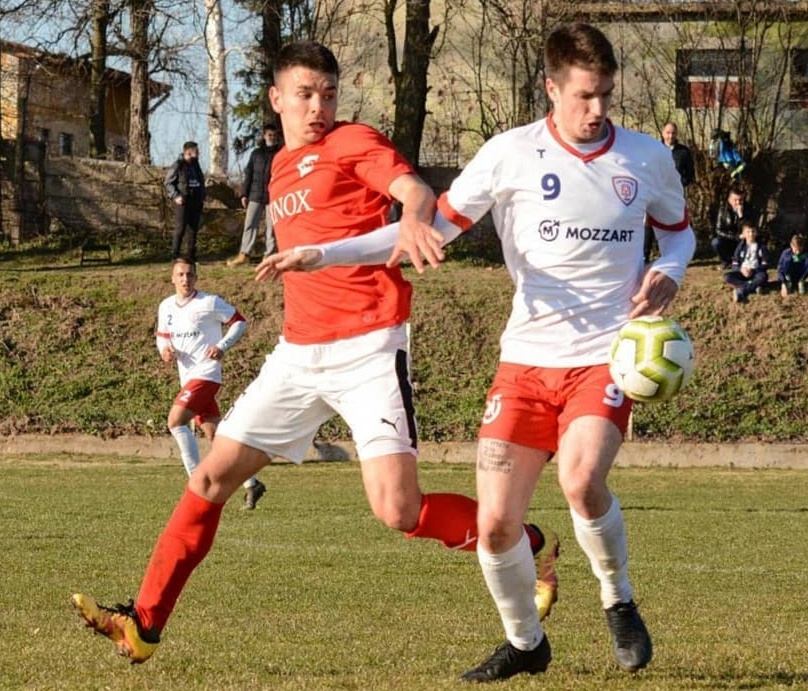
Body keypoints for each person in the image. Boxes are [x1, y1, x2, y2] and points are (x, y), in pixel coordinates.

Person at [72, 40, 559, 666]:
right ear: (276, 99)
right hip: (297, 355)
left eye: (327, 94)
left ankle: (528, 543)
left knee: (398, 509)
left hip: (370, 347)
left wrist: (416, 214)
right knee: (209, 478)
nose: (318, 107)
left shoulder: (354, 141)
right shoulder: (277, 167)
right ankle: (144, 622)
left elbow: (412, 189)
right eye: (304, 95)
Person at [257, 23, 696, 681]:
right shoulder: (509, 154)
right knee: (494, 525)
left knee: (581, 480)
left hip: (605, 355)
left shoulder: (645, 158)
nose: (597, 109)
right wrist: (321, 253)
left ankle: (618, 597)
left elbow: (680, 235)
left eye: (606, 94)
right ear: (551, 89)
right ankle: (526, 643)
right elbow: (421, 231)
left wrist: (670, 271)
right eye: (584, 95)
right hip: (524, 363)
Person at [156, 258, 265, 508]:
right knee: (216, 437)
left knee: (175, 421)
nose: (185, 279)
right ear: (172, 278)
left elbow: (239, 321)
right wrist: (165, 350)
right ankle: (252, 483)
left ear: (196, 278)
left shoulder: (209, 302)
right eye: (181, 275)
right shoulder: (166, 306)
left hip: (206, 374)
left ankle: (196, 488)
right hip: (187, 377)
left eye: (190, 275)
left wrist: (222, 346)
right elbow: (162, 336)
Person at [227, 124, 281, 267]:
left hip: (273, 196)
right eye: (270, 135)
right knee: (250, 224)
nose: (272, 137)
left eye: (274, 135)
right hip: (255, 195)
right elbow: (249, 173)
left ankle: (269, 255)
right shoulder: (256, 154)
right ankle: (244, 254)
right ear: (264, 136)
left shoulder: (281, 153)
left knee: (272, 227)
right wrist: (244, 193)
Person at [644, 122, 695, 262]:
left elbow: (690, 175)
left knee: (679, 222)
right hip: (655, 192)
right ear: (662, 133)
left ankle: (680, 253)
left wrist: (677, 184)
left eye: (673, 133)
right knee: (649, 222)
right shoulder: (654, 149)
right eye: (668, 133)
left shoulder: (684, 152)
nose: (670, 136)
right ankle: (645, 255)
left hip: (675, 195)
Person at [163, 141, 206, 262]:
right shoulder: (178, 165)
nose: (198, 153)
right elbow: (168, 183)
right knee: (180, 228)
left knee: (193, 229)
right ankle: (175, 255)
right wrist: (176, 196)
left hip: (195, 201)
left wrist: (202, 196)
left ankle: (191, 256)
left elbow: (200, 181)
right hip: (182, 201)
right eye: (196, 151)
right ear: (189, 152)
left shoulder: (196, 165)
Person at [723, 220, 770, 304]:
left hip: (755, 273)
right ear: (743, 234)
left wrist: (753, 270)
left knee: (763, 277)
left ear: (756, 233)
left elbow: (765, 263)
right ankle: (753, 287)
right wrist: (741, 270)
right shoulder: (740, 246)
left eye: (753, 231)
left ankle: (741, 290)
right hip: (742, 272)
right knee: (727, 277)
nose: (751, 234)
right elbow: (735, 262)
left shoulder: (761, 246)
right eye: (748, 232)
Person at [712, 184, 756, 269]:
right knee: (716, 242)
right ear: (729, 200)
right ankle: (726, 261)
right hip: (729, 239)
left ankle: (743, 261)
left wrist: (741, 216)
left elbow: (750, 228)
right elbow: (719, 230)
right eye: (735, 200)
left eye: (740, 200)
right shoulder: (723, 210)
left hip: (743, 240)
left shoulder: (749, 209)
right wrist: (735, 237)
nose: (738, 203)